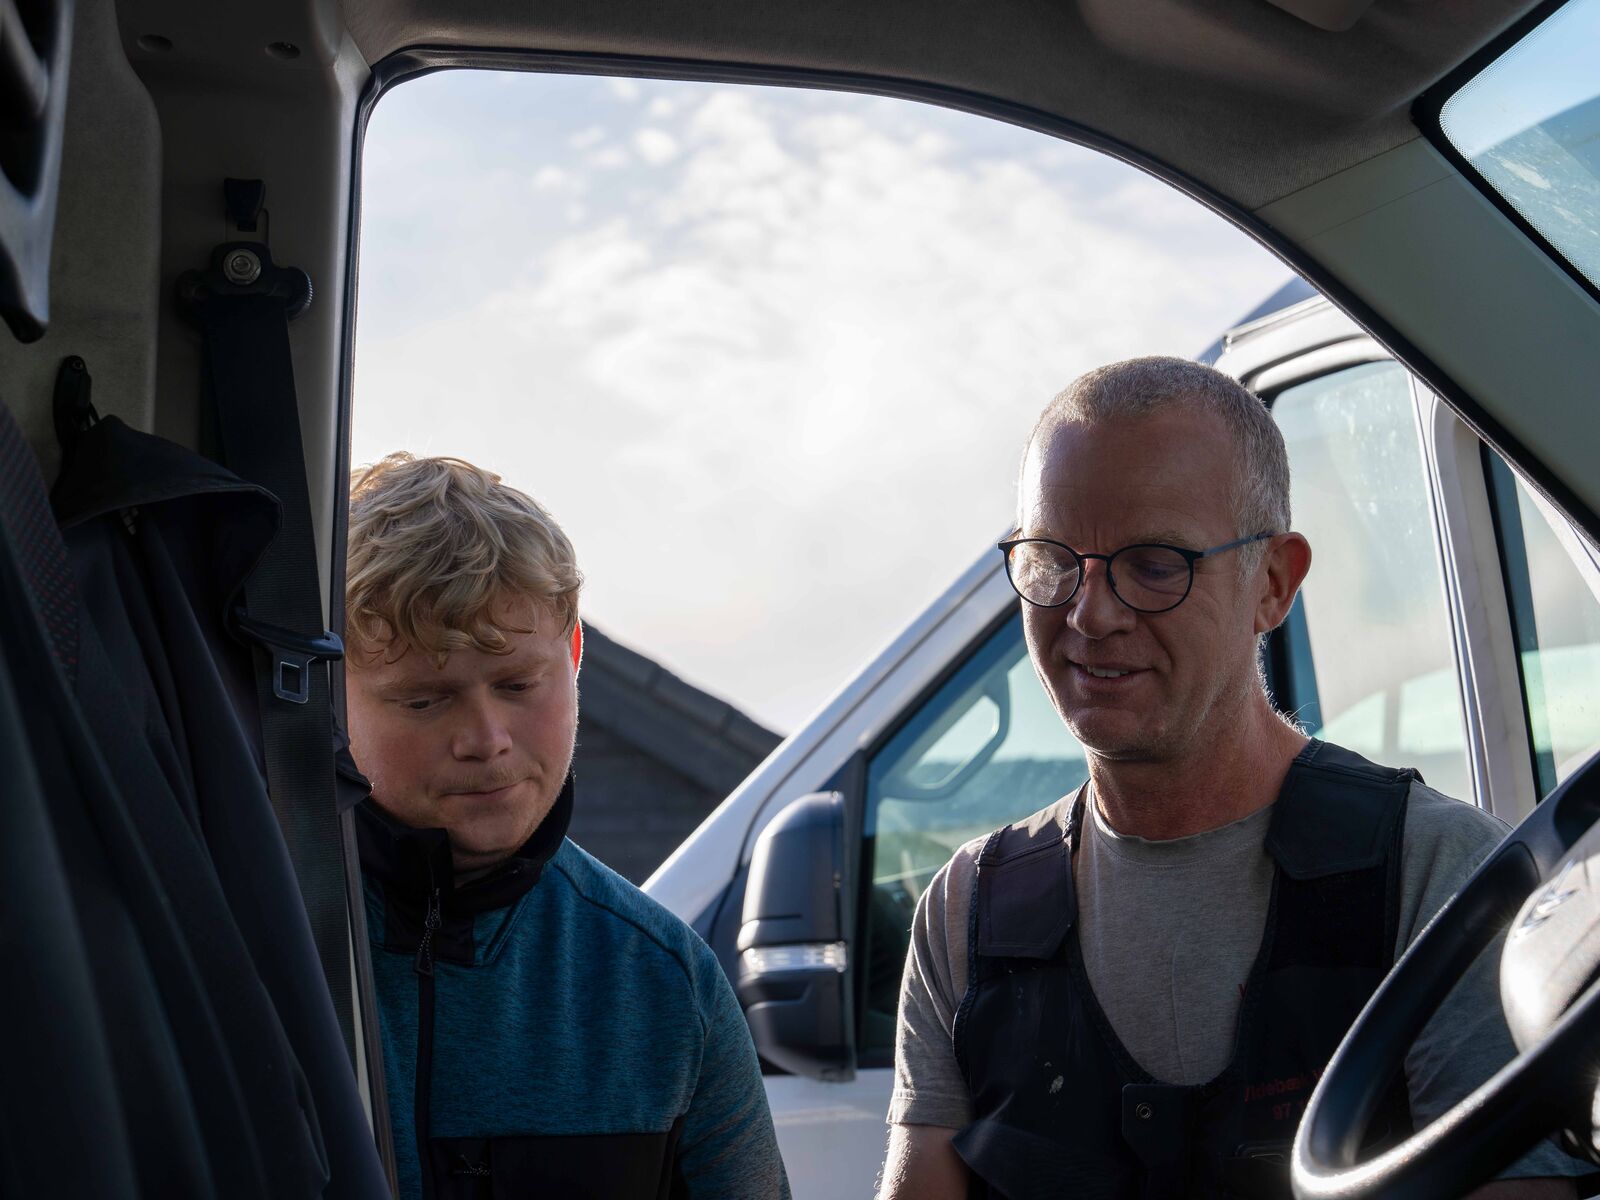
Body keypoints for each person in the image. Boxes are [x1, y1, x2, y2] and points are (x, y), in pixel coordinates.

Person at [879, 359, 1584, 1199]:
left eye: (1153, 564)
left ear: (1274, 584)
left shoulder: (1439, 879)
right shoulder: (970, 916)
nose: (1089, 614)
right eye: (1051, 559)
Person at [342, 453, 790, 1200]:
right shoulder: (243, 944)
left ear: (574, 653)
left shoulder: (662, 982)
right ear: (332, 692)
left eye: (518, 684)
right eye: (425, 700)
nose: (486, 740)